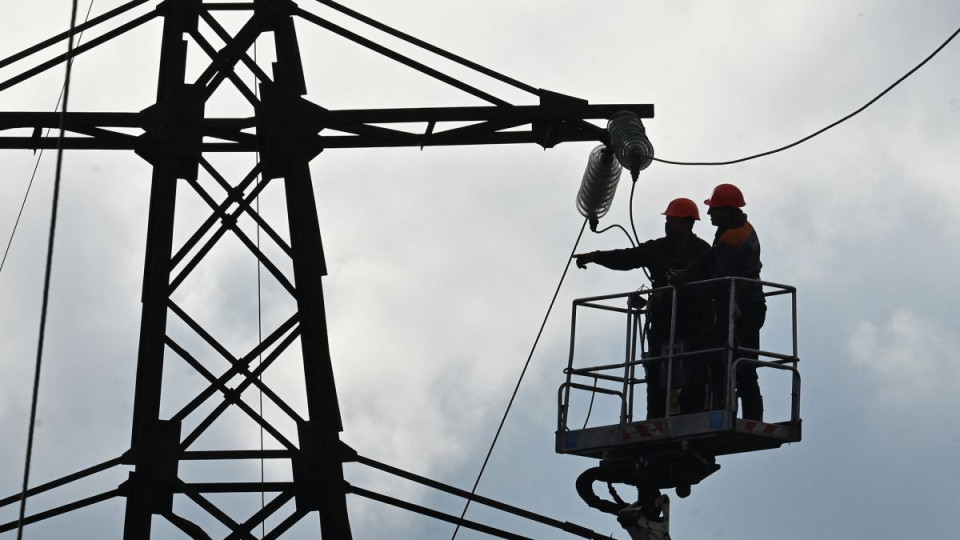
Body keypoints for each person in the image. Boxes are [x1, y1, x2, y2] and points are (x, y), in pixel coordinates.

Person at [575, 198, 712, 418]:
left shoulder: (703, 252)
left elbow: (712, 281)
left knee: (693, 368)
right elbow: (627, 257)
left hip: (693, 320)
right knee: (656, 369)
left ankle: (692, 413)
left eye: (672, 220)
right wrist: (596, 257)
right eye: (667, 220)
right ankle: (655, 416)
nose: (667, 224)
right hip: (662, 318)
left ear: (688, 223)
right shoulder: (658, 248)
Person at [702, 183, 766, 421]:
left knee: (723, 361)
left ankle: (721, 411)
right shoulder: (743, 229)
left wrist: (697, 290)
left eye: (714, 208)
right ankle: (751, 416)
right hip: (750, 305)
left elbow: (721, 277)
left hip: (740, 309)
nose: (709, 213)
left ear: (727, 210)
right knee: (744, 364)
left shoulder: (731, 238)